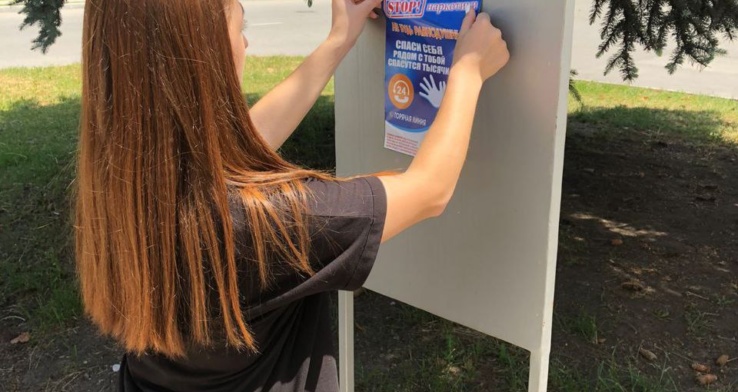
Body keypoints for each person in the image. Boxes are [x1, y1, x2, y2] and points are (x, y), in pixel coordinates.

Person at [74, 0, 509, 390]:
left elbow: (242, 144)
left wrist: (339, 41)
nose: (245, 43)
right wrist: (468, 69)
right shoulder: (264, 224)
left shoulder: (124, 191)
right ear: (204, 57)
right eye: (238, 26)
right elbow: (429, 190)